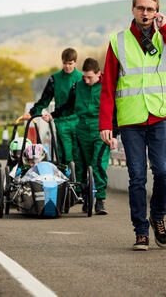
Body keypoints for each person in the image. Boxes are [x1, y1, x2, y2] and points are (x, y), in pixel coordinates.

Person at [99, 0, 166, 250]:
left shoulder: (165, 37)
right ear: (133, 10)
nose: (145, 13)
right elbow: (108, 85)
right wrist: (106, 124)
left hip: (160, 114)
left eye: (150, 9)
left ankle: (158, 217)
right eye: (141, 8)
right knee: (137, 177)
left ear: (157, 12)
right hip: (131, 119)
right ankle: (141, 231)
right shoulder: (118, 41)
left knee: (163, 172)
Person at [43, 58, 117, 215]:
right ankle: (85, 197)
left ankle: (100, 200)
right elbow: (68, 106)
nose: (86, 80)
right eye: (85, 77)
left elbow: (115, 111)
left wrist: (115, 134)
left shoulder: (107, 86)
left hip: (101, 131)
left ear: (98, 74)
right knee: (82, 166)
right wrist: (53, 115)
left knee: (98, 165)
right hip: (82, 129)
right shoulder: (77, 87)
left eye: (90, 77)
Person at [23, 47, 82, 165]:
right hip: (61, 121)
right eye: (64, 63)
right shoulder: (55, 79)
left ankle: (81, 182)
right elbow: (44, 100)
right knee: (65, 154)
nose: (67, 67)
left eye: (70, 64)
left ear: (75, 62)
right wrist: (32, 113)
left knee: (80, 154)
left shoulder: (81, 78)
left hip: (78, 120)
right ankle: (66, 179)